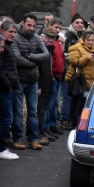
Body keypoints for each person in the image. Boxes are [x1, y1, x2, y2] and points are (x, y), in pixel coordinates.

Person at [11, 13, 49, 150]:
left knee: (33, 111)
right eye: (29, 25)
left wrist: (30, 56)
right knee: (18, 111)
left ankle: (33, 139)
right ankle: (17, 139)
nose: (32, 28)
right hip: (19, 80)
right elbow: (16, 58)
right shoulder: (16, 37)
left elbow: (46, 55)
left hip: (33, 80)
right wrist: (34, 63)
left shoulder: (37, 38)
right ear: (22, 23)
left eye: (34, 25)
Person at [65, 30, 94, 128]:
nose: (91, 42)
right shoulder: (76, 48)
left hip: (91, 80)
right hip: (79, 80)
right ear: (83, 40)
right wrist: (86, 58)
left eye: (92, 40)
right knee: (76, 102)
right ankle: (74, 122)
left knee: (85, 103)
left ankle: (83, 122)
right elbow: (74, 61)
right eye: (88, 40)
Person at [60, 13, 85, 130]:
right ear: (72, 24)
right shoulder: (67, 36)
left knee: (78, 97)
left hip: (80, 73)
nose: (80, 25)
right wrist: (77, 60)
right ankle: (64, 119)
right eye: (77, 23)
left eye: (81, 23)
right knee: (67, 97)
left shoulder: (84, 36)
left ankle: (74, 119)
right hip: (68, 72)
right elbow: (64, 54)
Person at [42, 17, 65, 138]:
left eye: (60, 28)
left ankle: (51, 125)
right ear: (49, 25)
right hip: (52, 76)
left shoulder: (57, 42)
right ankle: (45, 127)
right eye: (56, 27)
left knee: (54, 103)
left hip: (58, 76)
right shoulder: (49, 42)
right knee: (48, 104)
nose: (57, 30)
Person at [0, 25, 19, 159]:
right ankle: (1, 148)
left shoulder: (8, 46)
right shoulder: (5, 48)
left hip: (7, 87)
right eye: (10, 32)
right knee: (7, 119)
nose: (13, 34)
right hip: (4, 88)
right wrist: (8, 85)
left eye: (14, 32)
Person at [38, 27, 57, 143]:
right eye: (49, 37)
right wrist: (38, 85)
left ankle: (43, 129)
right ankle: (39, 132)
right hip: (40, 82)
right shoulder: (40, 48)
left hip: (48, 80)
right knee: (39, 109)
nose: (51, 40)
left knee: (46, 107)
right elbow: (38, 68)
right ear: (42, 37)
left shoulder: (49, 48)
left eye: (53, 38)